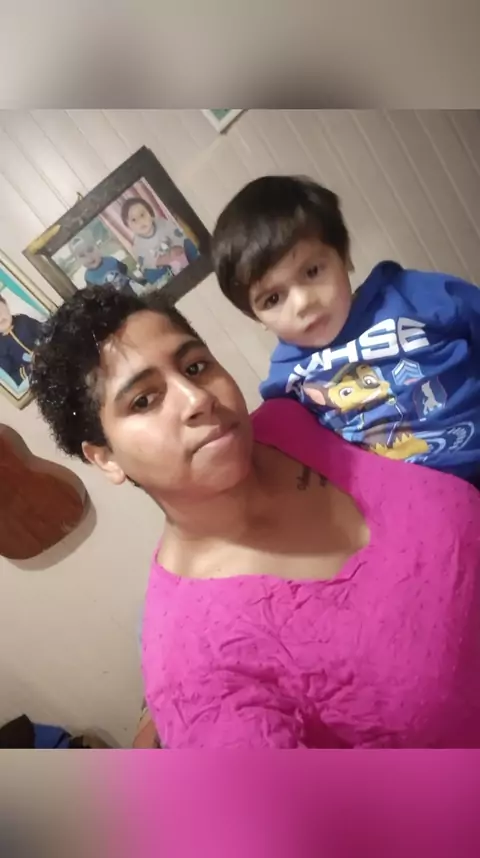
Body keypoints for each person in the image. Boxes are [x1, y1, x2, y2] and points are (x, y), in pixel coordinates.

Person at [30, 285, 480, 748]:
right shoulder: (194, 669)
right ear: (106, 458)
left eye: (195, 366)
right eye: (144, 400)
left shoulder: (297, 415)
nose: (195, 398)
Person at [211, 175, 480, 487]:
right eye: (272, 299)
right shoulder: (286, 385)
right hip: (421, 498)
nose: (303, 303)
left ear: (344, 256)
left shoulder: (413, 295)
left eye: (312, 271)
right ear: (255, 317)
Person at [121, 197, 199, 285]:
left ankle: (197, 263)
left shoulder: (162, 223)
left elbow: (176, 234)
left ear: (150, 214)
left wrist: (177, 247)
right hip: (161, 264)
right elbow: (146, 262)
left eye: (142, 215)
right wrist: (165, 259)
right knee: (150, 273)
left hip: (176, 252)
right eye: (134, 220)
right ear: (128, 226)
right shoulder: (137, 245)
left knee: (187, 243)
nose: (140, 221)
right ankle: (169, 284)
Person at [69, 235, 142, 293]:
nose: (89, 256)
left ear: (98, 248)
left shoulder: (110, 260)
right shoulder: (89, 277)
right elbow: (95, 294)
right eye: (82, 255)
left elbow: (126, 271)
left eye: (90, 250)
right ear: (78, 261)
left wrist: (137, 280)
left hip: (130, 288)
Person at [0, 293, 43, 386]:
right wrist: (30, 367)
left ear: (6, 304)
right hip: (36, 379)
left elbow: (45, 332)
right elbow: (11, 378)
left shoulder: (23, 320)